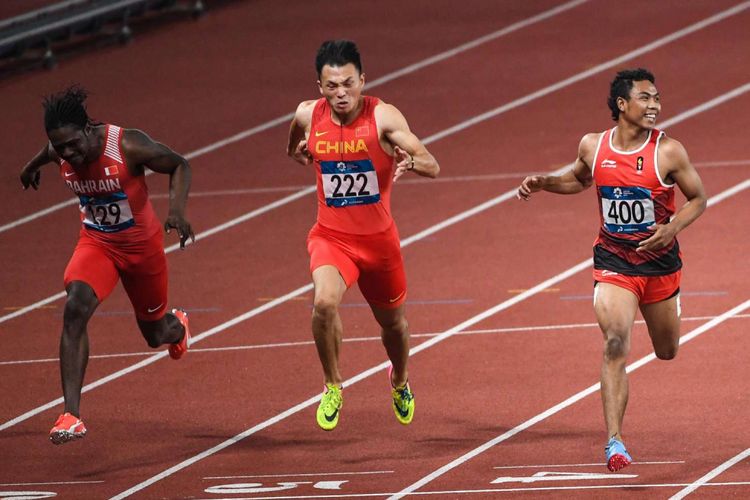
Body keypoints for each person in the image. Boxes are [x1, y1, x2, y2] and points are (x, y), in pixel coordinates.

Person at [517, 69, 706, 471]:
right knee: (615, 342)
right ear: (622, 105)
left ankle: (672, 307)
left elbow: (698, 199)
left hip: (660, 265)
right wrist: (545, 182)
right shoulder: (593, 145)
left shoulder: (669, 151)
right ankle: (615, 442)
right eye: (645, 98)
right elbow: (579, 180)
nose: (654, 105)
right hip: (614, 261)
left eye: (657, 98)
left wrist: (670, 228)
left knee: (667, 350)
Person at [19, 86, 195, 445]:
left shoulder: (126, 144)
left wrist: (176, 210)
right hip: (97, 244)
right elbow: (49, 151)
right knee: (75, 307)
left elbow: (179, 163)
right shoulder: (61, 149)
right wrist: (30, 167)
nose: (68, 154)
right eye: (61, 148)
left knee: (154, 335)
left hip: (142, 250)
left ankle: (178, 327)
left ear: (87, 129)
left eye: (72, 145)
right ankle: (71, 414)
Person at [287, 40, 440, 431]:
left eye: (349, 84)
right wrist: (299, 152)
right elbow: (293, 145)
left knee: (394, 327)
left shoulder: (383, 117)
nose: (341, 93)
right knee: (323, 303)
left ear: (363, 80)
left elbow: (432, 163)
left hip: (379, 244)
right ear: (319, 86)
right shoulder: (307, 114)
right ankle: (333, 385)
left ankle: (400, 380)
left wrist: (412, 161)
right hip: (331, 238)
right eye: (332, 85)